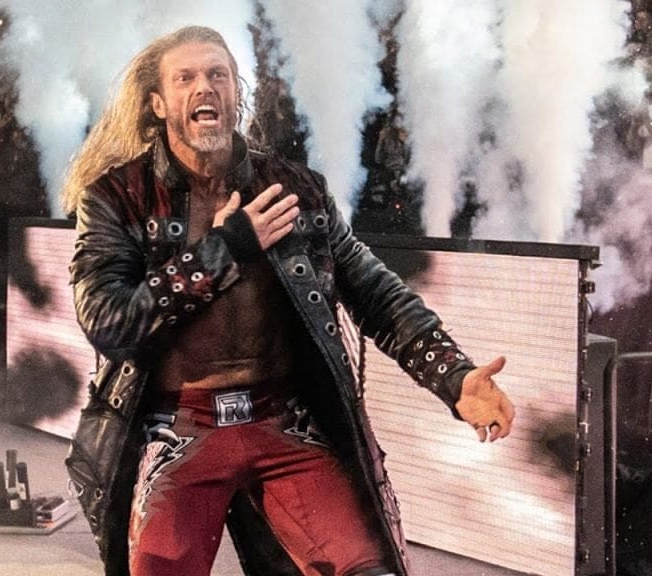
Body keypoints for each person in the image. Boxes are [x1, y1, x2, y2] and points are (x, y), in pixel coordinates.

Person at [63, 26, 515, 576]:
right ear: (158, 103)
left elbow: (375, 291)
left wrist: (454, 376)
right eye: (185, 78)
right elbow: (107, 321)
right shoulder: (118, 196)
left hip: (283, 424)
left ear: (237, 93)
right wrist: (224, 250)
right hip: (178, 430)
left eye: (218, 74)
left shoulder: (295, 188)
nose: (204, 87)